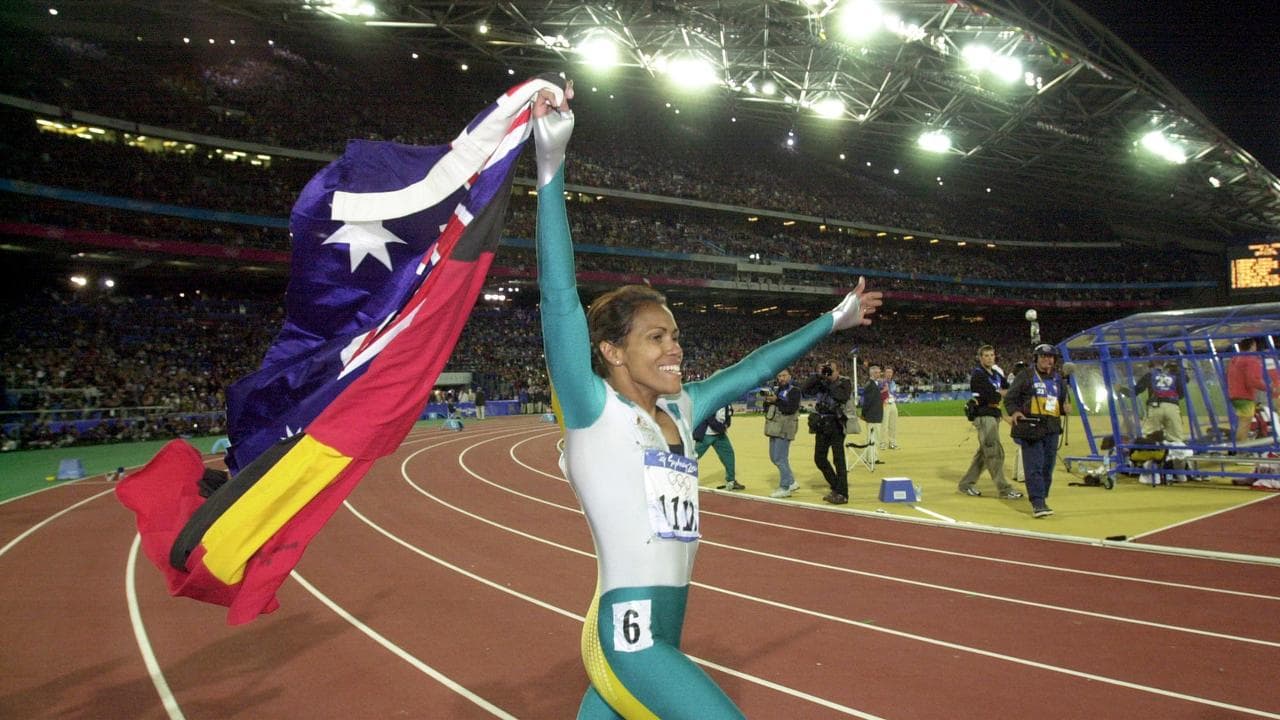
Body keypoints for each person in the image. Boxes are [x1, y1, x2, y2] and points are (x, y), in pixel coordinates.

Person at [531, 82, 882, 719]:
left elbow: (756, 366)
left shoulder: (683, 410)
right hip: (629, 633)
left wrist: (835, 319)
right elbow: (558, 299)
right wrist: (550, 164)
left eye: (675, 336)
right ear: (611, 351)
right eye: (656, 338)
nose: (675, 349)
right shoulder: (593, 411)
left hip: (666, 622)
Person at [1005, 344, 1069, 518]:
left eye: (1050, 357)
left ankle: (1042, 497)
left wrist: (1064, 408)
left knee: (1048, 467)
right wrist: (1014, 412)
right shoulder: (1026, 375)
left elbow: (1059, 403)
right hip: (1031, 427)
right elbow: (1010, 398)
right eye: (1043, 357)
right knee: (1034, 466)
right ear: (1036, 359)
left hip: (1052, 428)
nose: (1047, 360)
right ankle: (1038, 503)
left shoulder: (1058, 379)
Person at [959, 345, 1022, 499]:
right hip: (984, 416)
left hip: (993, 416)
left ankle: (966, 484)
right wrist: (1001, 393)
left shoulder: (995, 373)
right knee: (994, 453)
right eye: (986, 355)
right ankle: (1004, 489)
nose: (989, 358)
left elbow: (1009, 390)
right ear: (980, 358)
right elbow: (991, 397)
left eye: (992, 355)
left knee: (984, 454)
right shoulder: (978, 375)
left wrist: (1001, 393)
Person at [802, 360, 855, 504]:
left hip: (836, 424)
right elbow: (804, 389)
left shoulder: (844, 382)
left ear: (838, 371)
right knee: (819, 458)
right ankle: (836, 486)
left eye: (831, 370)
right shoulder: (822, 381)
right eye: (827, 369)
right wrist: (818, 376)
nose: (828, 372)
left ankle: (842, 494)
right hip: (822, 423)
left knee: (838, 460)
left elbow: (841, 396)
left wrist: (830, 381)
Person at [763, 369, 801, 498]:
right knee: (774, 457)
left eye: (784, 375)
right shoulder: (777, 390)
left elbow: (790, 409)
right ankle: (791, 482)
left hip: (785, 427)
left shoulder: (795, 391)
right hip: (774, 427)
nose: (781, 378)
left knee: (780, 458)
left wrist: (776, 400)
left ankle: (785, 487)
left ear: (790, 376)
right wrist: (767, 401)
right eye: (779, 376)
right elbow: (767, 408)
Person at [1227, 337, 1271, 443]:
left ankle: (1240, 444)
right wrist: (1269, 388)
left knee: (1244, 420)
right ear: (1252, 345)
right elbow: (1252, 380)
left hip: (1234, 394)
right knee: (1245, 421)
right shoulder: (1251, 360)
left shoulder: (1235, 359)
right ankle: (1240, 446)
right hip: (1245, 395)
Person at [1134, 359, 1184, 443]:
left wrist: (1121, 389)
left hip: (1155, 406)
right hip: (1172, 407)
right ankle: (1174, 449)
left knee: (1148, 436)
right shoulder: (1174, 375)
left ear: (1151, 366)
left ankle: (1149, 449)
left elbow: (1135, 391)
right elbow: (1181, 394)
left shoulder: (1150, 375)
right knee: (1176, 438)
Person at [694, 404, 741, 490]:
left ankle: (731, 481)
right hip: (706, 434)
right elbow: (709, 418)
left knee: (729, 455)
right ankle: (686, 479)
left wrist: (726, 425)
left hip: (720, 435)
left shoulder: (726, 402)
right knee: (693, 457)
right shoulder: (713, 400)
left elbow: (728, 415)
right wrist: (722, 428)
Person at [859, 363, 884, 466]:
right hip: (873, 416)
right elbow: (867, 402)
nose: (879, 374)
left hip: (874, 415)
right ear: (873, 373)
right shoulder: (871, 385)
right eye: (878, 373)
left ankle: (870, 457)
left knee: (871, 437)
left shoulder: (872, 384)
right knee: (873, 438)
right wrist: (863, 414)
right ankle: (872, 458)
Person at [879, 366, 899, 450]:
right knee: (884, 425)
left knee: (893, 425)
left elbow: (894, 392)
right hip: (885, 404)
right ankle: (882, 443)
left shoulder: (893, 383)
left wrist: (894, 398)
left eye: (890, 372)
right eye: (887, 372)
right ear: (884, 373)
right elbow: (877, 393)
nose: (889, 374)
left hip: (893, 404)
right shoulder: (881, 382)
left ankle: (892, 443)